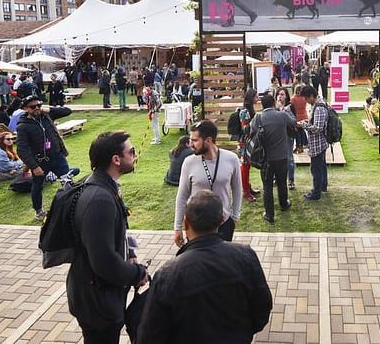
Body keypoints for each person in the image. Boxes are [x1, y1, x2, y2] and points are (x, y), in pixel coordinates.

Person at [138, 190, 272, 343]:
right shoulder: (246, 256)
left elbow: (149, 335)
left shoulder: (167, 275)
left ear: (186, 223)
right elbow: (262, 308)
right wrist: (242, 334)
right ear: (222, 220)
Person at [66, 131, 148, 343]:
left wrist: (130, 254)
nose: (135, 155)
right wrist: (137, 273)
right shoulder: (99, 200)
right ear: (116, 159)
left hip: (97, 293)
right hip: (98, 301)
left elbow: (113, 235)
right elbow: (104, 262)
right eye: (131, 151)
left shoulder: (102, 185)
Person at [174, 119, 243, 245]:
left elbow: (237, 189)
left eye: (195, 140)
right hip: (196, 227)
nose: (190, 144)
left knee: (222, 256)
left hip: (223, 224)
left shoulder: (232, 159)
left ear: (208, 140)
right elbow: (182, 196)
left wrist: (235, 217)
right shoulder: (189, 162)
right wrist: (177, 227)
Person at [16, 95, 71, 220]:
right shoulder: (23, 126)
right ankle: (39, 211)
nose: (37, 108)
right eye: (33, 106)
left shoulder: (46, 116)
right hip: (40, 161)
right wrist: (34, 167)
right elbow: (22, 149)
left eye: (39, 105)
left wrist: (49, 109)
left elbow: (67, 111)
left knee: (67, 181)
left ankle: (69, 208)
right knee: (37, 186)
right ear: (25, 109)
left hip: (57, 156)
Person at [254, 93, 296, 224]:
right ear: (274, 103)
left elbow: (251, 132)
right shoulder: (282, 115)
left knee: (267, 186)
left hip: (266, 158)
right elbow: (293, 122)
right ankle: (284, 204)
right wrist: (282, 109)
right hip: (282, 156)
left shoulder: (258, 118)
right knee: (282, 182)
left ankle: (269, 214)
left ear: (262, 105)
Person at [299, 85, 329, 201]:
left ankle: (316, 193)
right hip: (320, 143)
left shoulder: (319, 107)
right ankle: (322, 187)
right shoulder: (318, 104)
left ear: (312, 96)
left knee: (316, 169)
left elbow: (318, 128)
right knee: (321, 167)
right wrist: (308, 122)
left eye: (307, 99)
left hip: (318, 143)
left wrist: (304, 125)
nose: (306, 101)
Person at [237, 89, 260, 202]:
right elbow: (245, 129)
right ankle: (245, 191)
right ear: (251, 98)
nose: (258, 98)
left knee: (247, 166)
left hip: (249, 142)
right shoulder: (244, 112)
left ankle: (247, 187)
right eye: (256, 97)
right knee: (245, 167)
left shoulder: (250, 110)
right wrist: (255, 121)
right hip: (244, 143)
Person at [276, 87, 297, 190]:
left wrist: (283, 109)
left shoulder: (290, 106)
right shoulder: (274, 107)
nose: (280, 96)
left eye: (282, 94)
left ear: (286, 96)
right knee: (277, 157)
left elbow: (293, 120)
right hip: (277, 136)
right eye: (278, 94)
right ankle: (277, 179)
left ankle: (291, 180)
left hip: (288, 135)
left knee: (289, 157)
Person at [290, 85, 309, 153]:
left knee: (297, 132)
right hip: (304, 115)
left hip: (297, 117)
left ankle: (299, 146)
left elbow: (291, 108)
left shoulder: (293, 98)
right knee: (302, 130)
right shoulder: (304, 98)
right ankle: (304, 144)